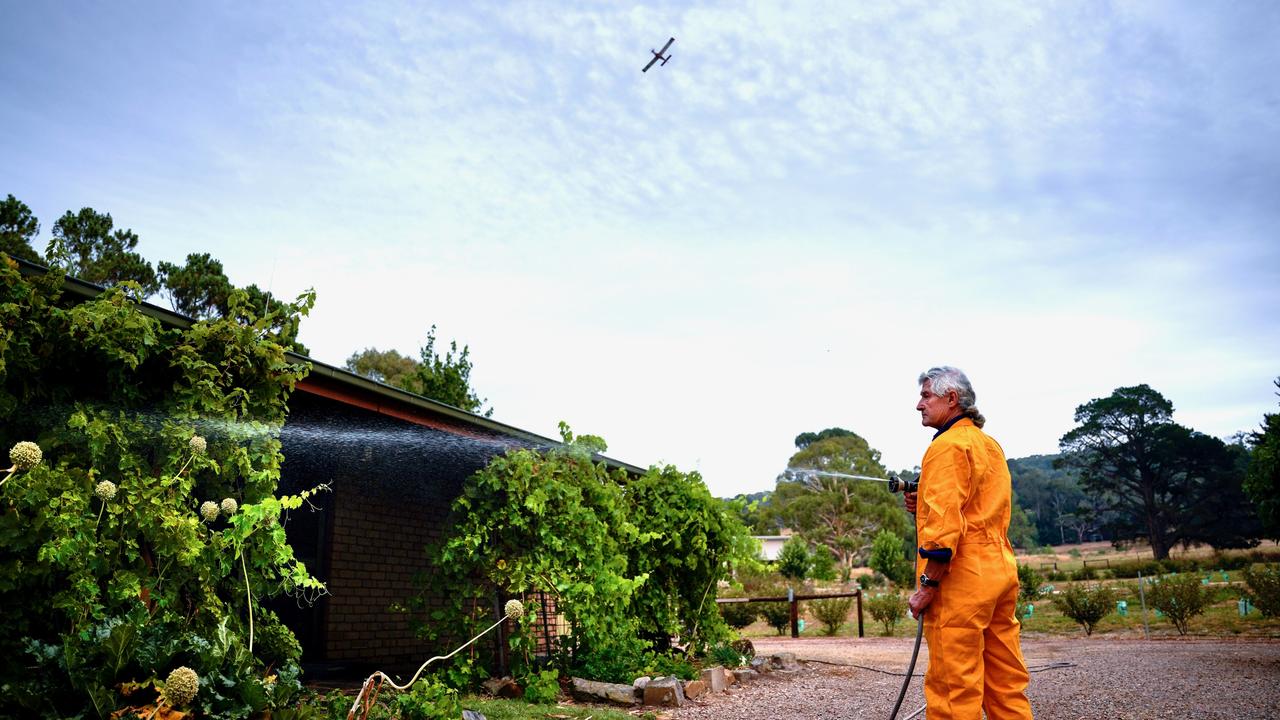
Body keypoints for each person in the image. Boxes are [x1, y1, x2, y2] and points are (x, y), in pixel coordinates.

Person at [902, 366, 1033, 720]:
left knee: (952, 686)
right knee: (1005, 681)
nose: (919, 404)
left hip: (961, 580)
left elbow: (945, 530)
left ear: (951, 399)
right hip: (999, 571)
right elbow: (974, 508)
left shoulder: (947, 446)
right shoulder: (988, 445)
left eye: (926, 396)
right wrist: (921, 503)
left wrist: (928, 584)